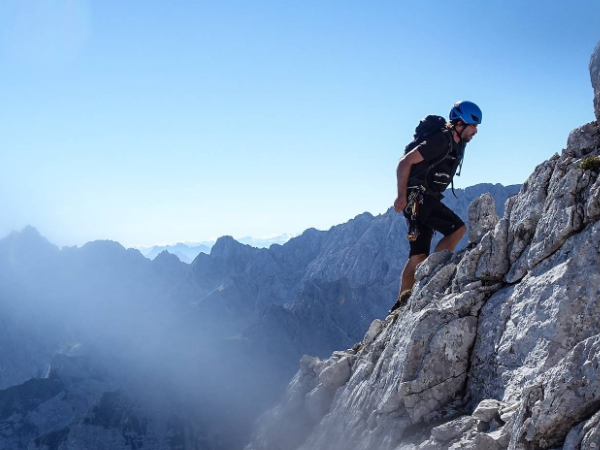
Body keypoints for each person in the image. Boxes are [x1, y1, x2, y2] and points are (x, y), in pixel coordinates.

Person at [389, 101, 482, 313]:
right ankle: (433, 274)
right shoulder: (440, 141)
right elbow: (405, 163)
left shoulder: (457, 144)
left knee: (418, 255)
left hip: (424, 200)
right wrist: (401, 196)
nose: (475, 131)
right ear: (459, 123)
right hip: (417, 199)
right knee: (457, 229)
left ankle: (399, 307)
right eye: (473, 125)